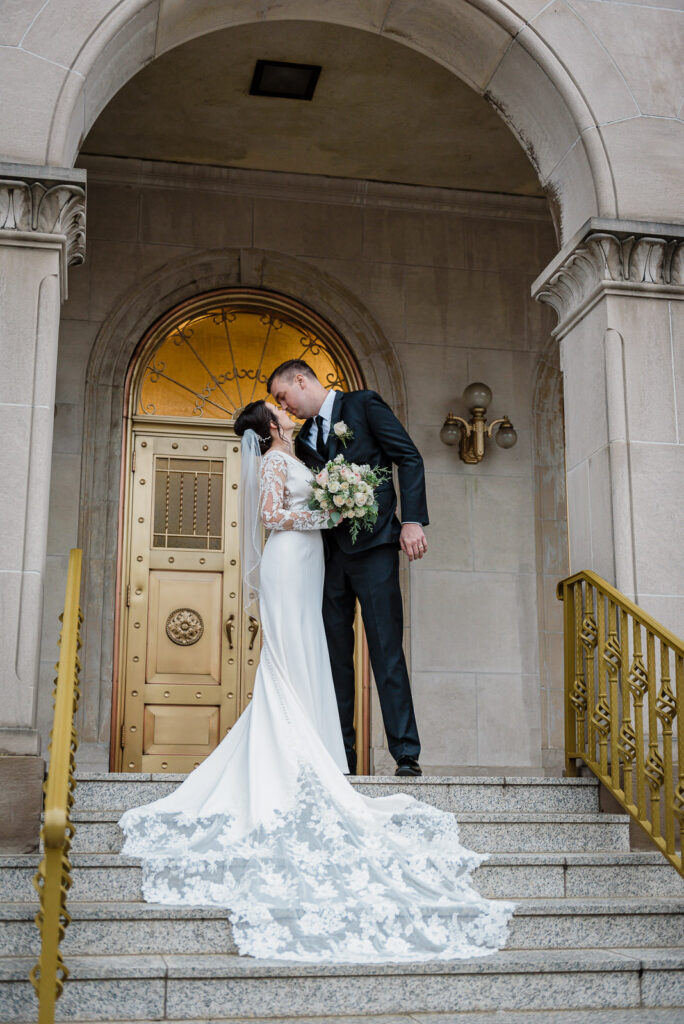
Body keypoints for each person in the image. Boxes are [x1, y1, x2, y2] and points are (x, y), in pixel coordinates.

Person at [118, 400, 513, 962]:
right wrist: (330, 512)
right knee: (292, 653)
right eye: (279, 409)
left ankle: (318, 751)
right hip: (290, 556)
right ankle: (297, 750)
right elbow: (272, 516)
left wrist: (340, 504)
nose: (288, 411)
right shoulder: (277, 462)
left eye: (287, 402)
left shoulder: (302, 450)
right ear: (271, 426)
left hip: (311, 562)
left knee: (311, 650)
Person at [267, 360, 427, 777]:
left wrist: (411, 521)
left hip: (374, 550)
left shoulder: (363, 406)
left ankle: (406, 753)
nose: (286, 406)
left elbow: (407, 457)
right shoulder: (302, 442)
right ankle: (342, 758)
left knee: (386, 649)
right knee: (334, 657)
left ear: (300, 380)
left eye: (283, 397)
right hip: (328, 558)